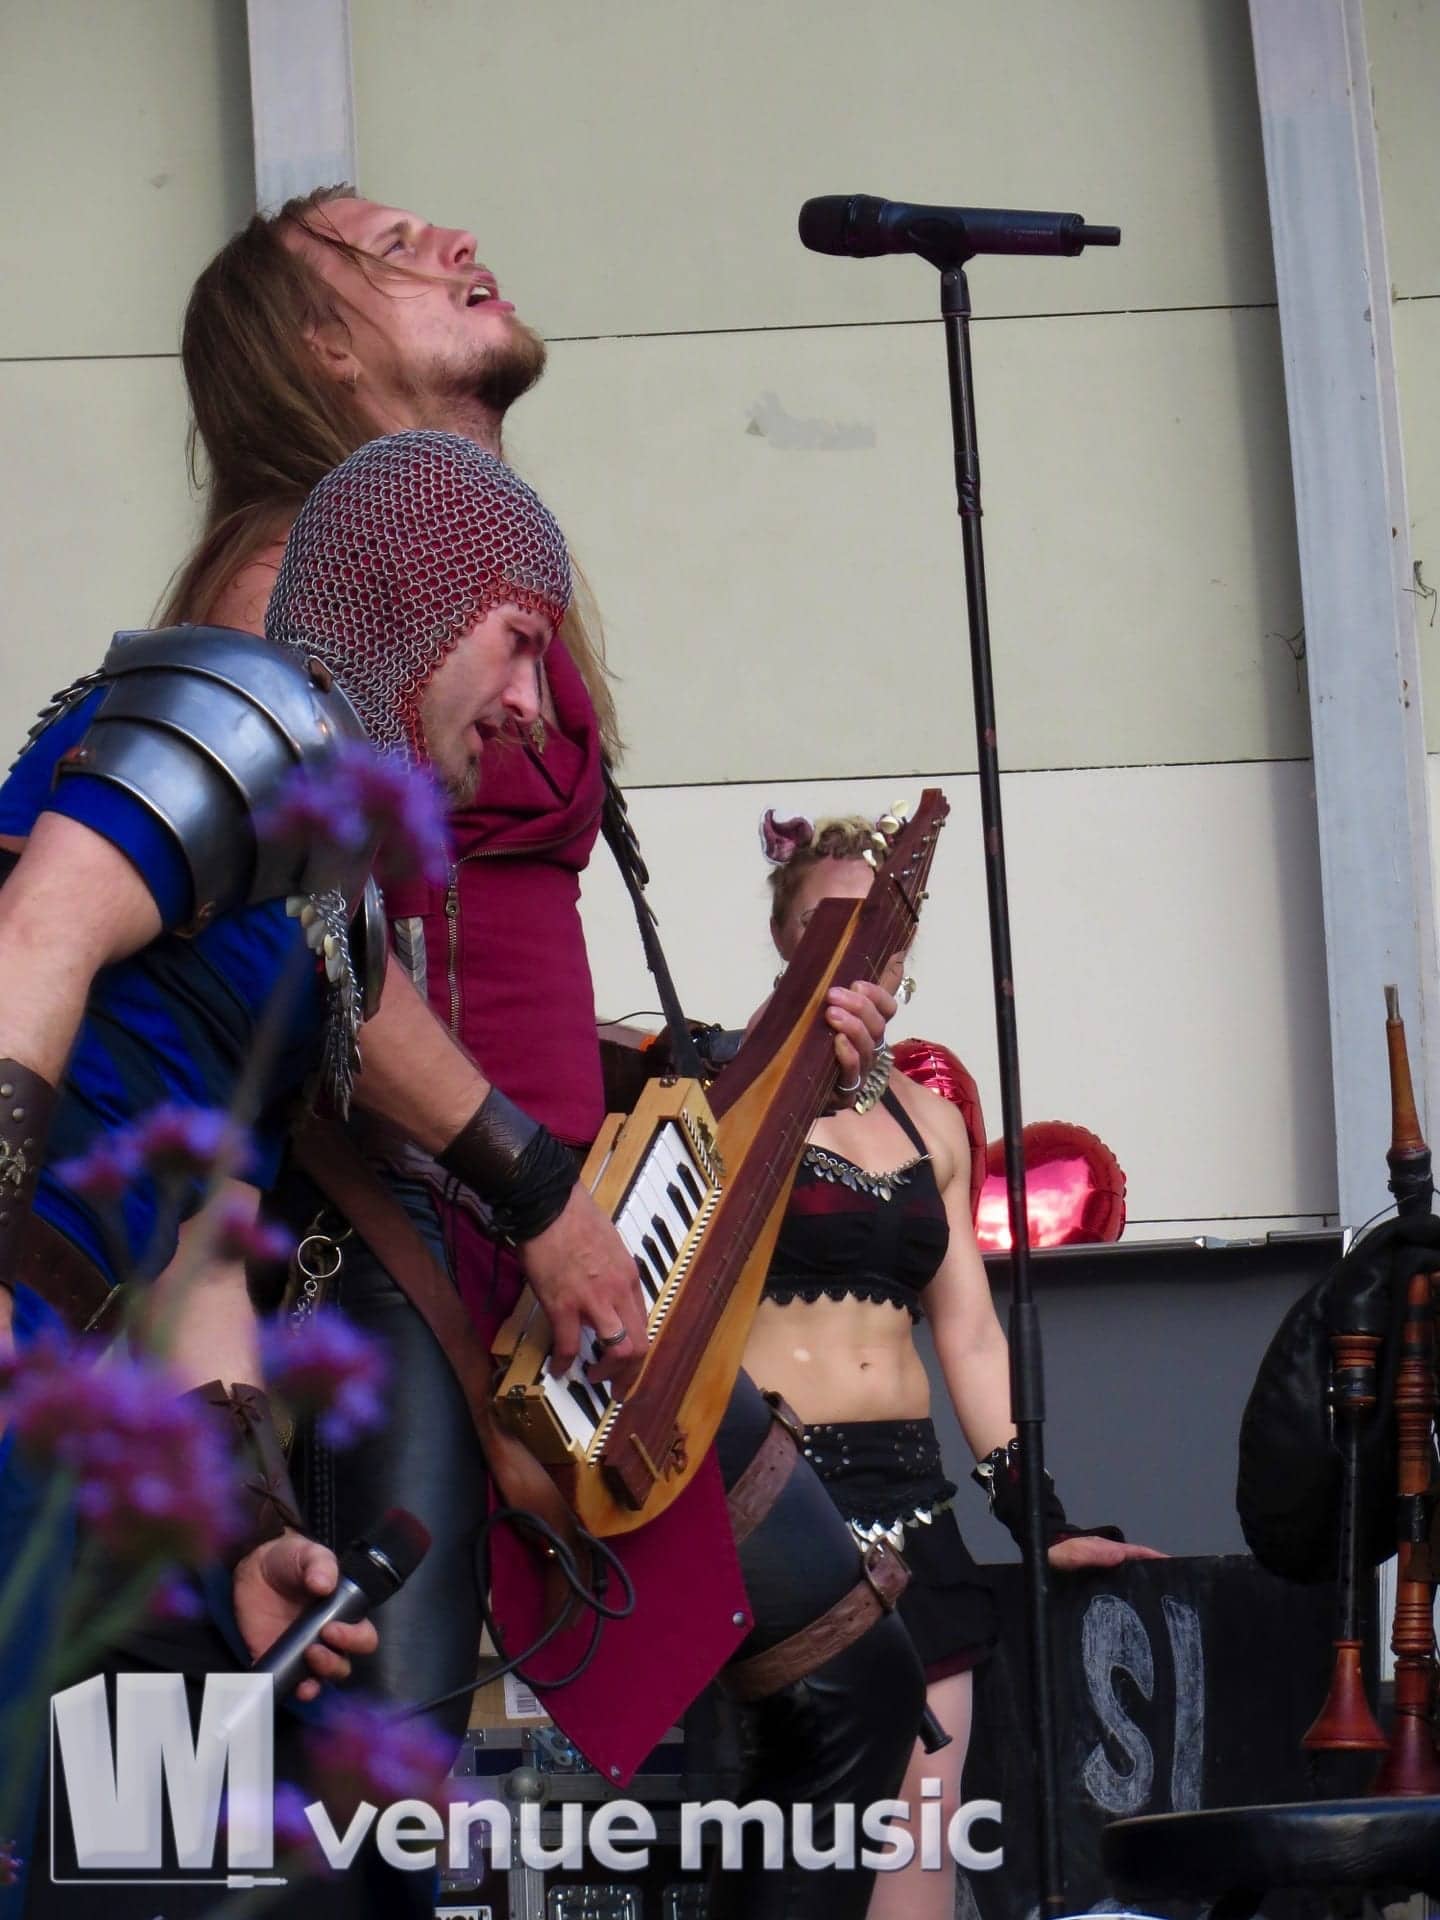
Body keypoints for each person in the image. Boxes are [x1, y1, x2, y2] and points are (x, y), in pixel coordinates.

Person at [164, 197, 924, 1920]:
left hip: (562, 1246)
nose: (446, 236)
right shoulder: (286, 586)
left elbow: (500, 959)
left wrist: (735, 1063)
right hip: (400, 1243)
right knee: (375, 1815)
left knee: (847, 1683)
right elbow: (308, 949)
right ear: (317, 348)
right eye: (382, 248)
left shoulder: (460, 578)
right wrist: (537, 1188)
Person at [745, 810, 1165, 1920]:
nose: (857, 951)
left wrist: (1039, 1518)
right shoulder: (727, 1092)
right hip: (779, 1501)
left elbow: (969, 1334)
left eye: (879, 930)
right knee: (798, 1837)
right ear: (787, 937)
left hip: (914, 1501)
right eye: (830, 924)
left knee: (924, 1836)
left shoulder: (931, 1122)